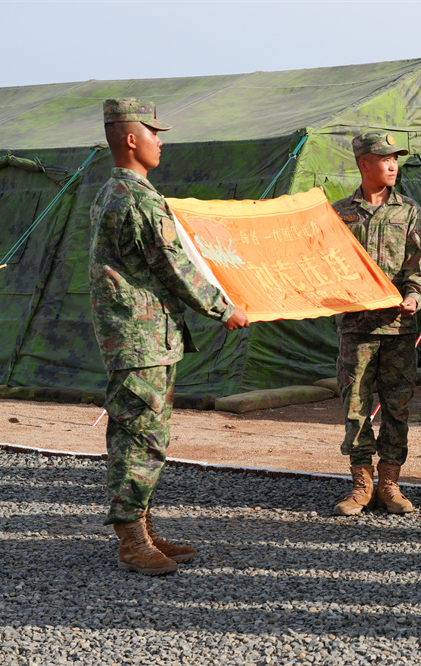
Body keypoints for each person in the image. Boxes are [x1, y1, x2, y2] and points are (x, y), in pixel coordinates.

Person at [90, 98, 249, 575]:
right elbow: (173, 265)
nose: (161, 142)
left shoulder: (113, 191)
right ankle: (131, 541)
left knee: (145, 434)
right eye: (153, 133)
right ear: (131, 139)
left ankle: (142, 527)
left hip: (143, 335)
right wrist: (223, 309)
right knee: (139, 438)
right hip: (140, 338)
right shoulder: (137, 198)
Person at [331, 132, 421, 516]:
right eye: (385, 158)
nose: (392, 165)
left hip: (398, 329)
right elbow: (328, 266)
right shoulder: (340, 214)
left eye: (395, 159)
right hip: (356, 328)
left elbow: (420, 265)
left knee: (397, 407)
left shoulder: (409, 211)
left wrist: (414, 296)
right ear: (364, 164)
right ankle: (361, 484)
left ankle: (389, 483)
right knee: (355, 407)